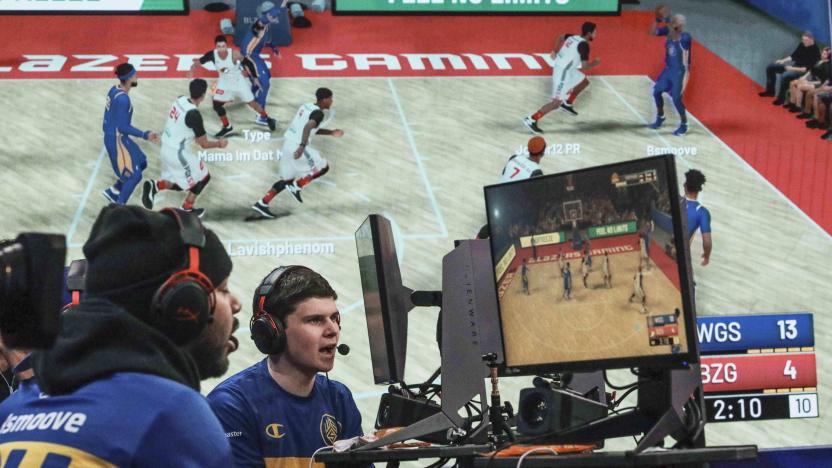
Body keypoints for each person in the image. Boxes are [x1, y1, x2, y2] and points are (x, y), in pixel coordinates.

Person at [0, 205, 242, 466]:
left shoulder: (11, 412)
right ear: (185, 304)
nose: (236, 303)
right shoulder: (172, 415)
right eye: (223, 288)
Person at [208, 265, 364, 467]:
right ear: (273, 331)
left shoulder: (339, 399)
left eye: (334, 318)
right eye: (315, 320)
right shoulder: (231, 406)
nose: (332, 330)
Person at [142, 79, 228, 218]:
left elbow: (182, 125)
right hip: (177, 154)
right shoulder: (194, 115)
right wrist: (219, 144)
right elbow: (203, 144)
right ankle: (186, 209)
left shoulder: (180, 99)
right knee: (203, 178)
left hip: (166, 148)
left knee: (182, 183)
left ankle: (156, 186)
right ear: (203, 95)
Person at [252, 88, 344, 218]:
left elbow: (310, 128)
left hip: (287, 144)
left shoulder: (306, 106)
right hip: (297, 146)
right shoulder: (319, 114)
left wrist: (331, 132)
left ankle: (262, 203)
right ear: (324, 100)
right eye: (330, 98)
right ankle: (298, 186)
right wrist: (302, 147)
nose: (332, 101)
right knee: (323, 166)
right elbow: (308, 127)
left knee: (286, 179)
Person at [189, 35, 276, 137]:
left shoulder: (234, 54)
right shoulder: (212, 55)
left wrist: (255, 78)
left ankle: (267, 118)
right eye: (219, 46)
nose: (221, 49)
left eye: (223, 46)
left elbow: (248, 63)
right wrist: (192, 69)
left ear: (226, 46)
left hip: (238, 82)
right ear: (216, 47)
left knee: (253, 104)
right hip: (224, 82)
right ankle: (227, 127)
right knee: (216, 105)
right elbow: (199, 61)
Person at [523, 22, 600, 133]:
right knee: (556, 102)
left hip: (568, 69)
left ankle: (568, 103)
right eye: (595, 32)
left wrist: (555, 50)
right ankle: (532, 119)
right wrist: (595, 63)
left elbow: (560, 37)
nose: (596, 34)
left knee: (584, 81)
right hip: (563, 73)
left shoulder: (573, 37)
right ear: (589, 33)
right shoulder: (584, 45)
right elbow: (585, 66)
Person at [101, 63, 160, 204]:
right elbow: (122, 127)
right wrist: (145, 134)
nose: (137, 76)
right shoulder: (123, 99)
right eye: (134, 74)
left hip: (116, 136)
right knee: (135, 176)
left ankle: (115, 190)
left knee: (142, 161)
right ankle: (118, 209)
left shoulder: (114, 89)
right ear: (128, 79)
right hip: (117, 141)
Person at [240, 1, 289, 124]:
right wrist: (284, 2)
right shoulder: (260, 23)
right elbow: (271, 14)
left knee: (267, 75)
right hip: (248, 57)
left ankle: (250, 96)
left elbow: (266, 41)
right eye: (272, 15)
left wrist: (274, 48)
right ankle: (261, 116)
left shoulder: (266, 28)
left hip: (254, 56)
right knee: (264, 84)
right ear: (267, 14)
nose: (275, 17)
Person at [648, 14, 692, 136]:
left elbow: (686, 65)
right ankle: (660, 117)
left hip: (680, 72)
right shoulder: (669, 32)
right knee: (656, 91)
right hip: (668, 70)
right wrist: (656, 21)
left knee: (676, 99)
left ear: (679, 25)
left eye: (675, 22)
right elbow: (652, 32)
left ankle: (684, 124)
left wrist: (668, 21)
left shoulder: (685, 38)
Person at [759, 31, 821, 105]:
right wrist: (782, 60)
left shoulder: (816, 51)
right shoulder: (802, 44)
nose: (804, 42)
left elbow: (805, 69)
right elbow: (793, 56)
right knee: (770, 67)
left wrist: (790, 68)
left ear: (812, 39)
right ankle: (770, 91)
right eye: (803, 40)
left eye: (806, 40)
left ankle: (781, 98)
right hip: (794, 66)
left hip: (801, 71)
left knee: (785, 75)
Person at [787, 47, 830, 114]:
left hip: (818, 83)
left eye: (825, 54)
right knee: (792, 83)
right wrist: (804, 77)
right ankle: (792, 103)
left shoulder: (827, 67)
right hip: (812, 80)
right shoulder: (819, 61)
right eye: (822, 53)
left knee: (800, 86)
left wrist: (809, 82)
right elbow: (811, 70)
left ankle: (798, 107)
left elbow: (823, 82)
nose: (822, 55)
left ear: (828, 57)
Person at [683, 169, 712, 266]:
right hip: (681, 256)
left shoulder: (675, 200)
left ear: (685, 186)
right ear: (700, 190)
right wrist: (706, 256)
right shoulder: (702, 212)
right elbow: (707, 242)